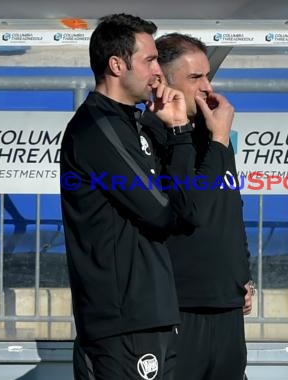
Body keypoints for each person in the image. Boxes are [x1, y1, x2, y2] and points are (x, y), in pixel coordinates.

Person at [60, 15, 236, 380]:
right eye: (150, 60)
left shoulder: (130, 123)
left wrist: (180, 135)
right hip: (123, 319)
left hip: (151, 314)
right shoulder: (99, 127)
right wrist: (181, 133)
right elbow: (168, 213)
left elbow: (191, 206)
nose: (157, 72)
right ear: (116, 64)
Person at [150, 32, 255, 380]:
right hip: (181, 308)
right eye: (195, 78)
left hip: (225, 308)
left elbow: (229, 208)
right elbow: (193, 205)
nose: (208, 88)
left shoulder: (210, 134)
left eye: (208, 76)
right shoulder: (151, 137)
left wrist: (242, 276)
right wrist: (221, 141)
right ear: (161, 81)